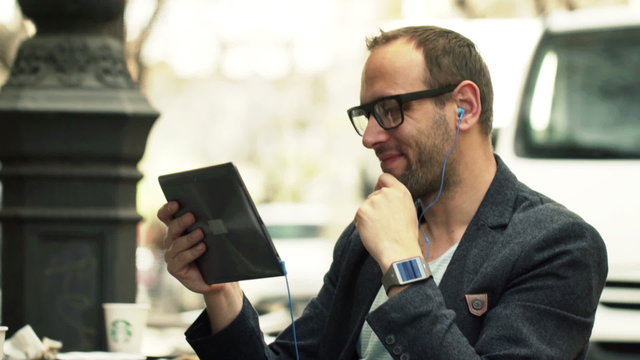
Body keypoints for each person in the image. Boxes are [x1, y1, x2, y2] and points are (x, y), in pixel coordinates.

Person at [157, 25, 607, 359]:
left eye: (390, 110)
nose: (370, 136)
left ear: (464, 107)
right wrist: (221, 292)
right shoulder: (364, 242)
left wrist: (402, 265)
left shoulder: (558, 245)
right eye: (366, 114)